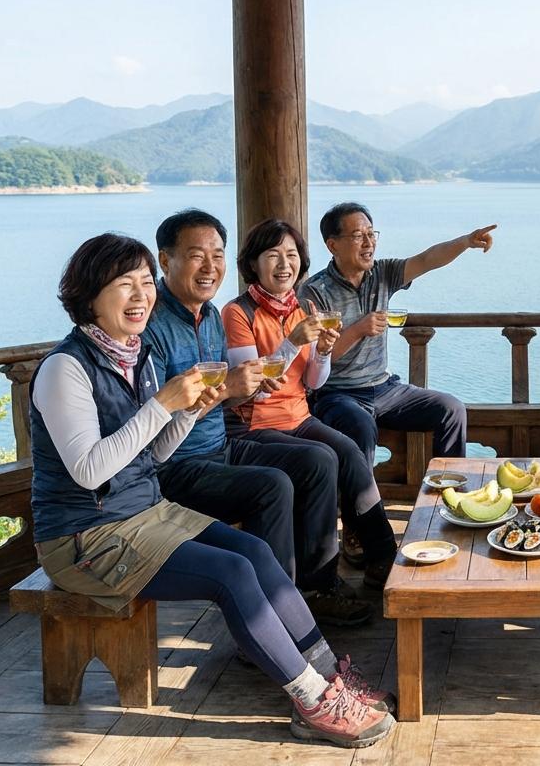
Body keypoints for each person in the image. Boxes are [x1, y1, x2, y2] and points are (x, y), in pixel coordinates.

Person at [30, 233, 394, 748]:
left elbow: (153, 455)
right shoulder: (65, 368)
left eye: (142, 284)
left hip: (142, 512)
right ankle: (312, 698)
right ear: (90, 295)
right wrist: (162, 404)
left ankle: (330, 673)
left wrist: (197, 407)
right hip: (84, 539)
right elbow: (90, 472)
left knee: (255, 551)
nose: (140, 296)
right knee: (231, 573)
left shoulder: (137, 357)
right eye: (124, 285)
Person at [143, 209, 371, 626]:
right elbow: (156, 419)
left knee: (320, 459)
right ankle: (274, 617)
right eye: (197, 256)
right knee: (273, 484)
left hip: (220, 444)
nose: (210, 267)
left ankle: (318, 587)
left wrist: (236, 388)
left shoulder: (209, 317)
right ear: (164, 261)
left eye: (217, 255)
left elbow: (230, 399)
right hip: (176, 464)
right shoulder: (155, 325)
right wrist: (238, 384)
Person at [223, 218, 398, 589]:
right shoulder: (238, 313)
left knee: (349, 451)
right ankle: (321, 582)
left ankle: (382, 556)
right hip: (256, 426)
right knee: (321, 459)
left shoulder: (301, 308)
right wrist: (292, 341)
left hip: (298, 416)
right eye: (273, 255)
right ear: (253, 264)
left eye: (291, 255)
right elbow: (255, 389)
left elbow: (313, 382)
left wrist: (322, 351)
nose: (284, 265)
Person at [298, 202, 485, 486]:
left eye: (372, 234)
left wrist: (466, 241)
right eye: (359, 235)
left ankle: (450, 495)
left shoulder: (382, 273)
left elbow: (427, 260)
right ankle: (361, 519)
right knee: (360, 426)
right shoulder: (314, 291)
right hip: (336, 393)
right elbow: (317, 359)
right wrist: (359, 329)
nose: (369, 242)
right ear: (333, 245)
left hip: (385, 388)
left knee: (451, 409)